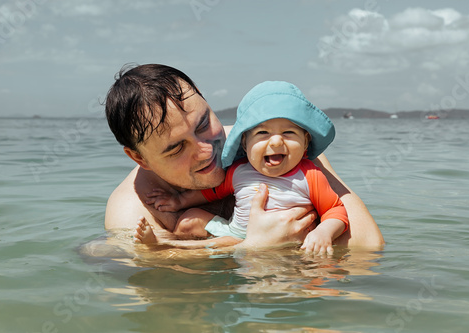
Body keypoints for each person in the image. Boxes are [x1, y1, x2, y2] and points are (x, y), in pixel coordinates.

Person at [104, 63, 385, 250]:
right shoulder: (131, 212)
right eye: (176, 148)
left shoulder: (270, 146)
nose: (206, 151)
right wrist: (251, 248)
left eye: (204, 124)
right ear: (139, 158)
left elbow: (369, 246)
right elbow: (156, 282)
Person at [142, 81, 349, 255]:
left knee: (223, 246)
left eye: (288, 133)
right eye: (262, 133)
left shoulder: (309, 176)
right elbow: (211, 193)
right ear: (244, 144)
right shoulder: (239, 170)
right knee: (188, 220)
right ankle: (170, 246)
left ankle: (167, 248)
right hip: (235, 234)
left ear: (305, 142)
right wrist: (179, 201)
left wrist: (323, 233)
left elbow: (336, 211)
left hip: (284, 240)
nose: (276, 142)